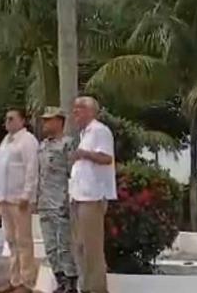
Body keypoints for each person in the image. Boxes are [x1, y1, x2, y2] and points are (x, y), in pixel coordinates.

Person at [69, 97, 116, 293]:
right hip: (79, 196)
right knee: (79, 246)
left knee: (92, 249)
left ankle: (97, 289)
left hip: (93, 197)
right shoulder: (85, 133)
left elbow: (106, 158)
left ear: (90, 111)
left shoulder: (99, 130)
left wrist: (83, 154)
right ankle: (85, 287)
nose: (74, 114)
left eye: (78, 110)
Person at [0, 109, 39, 293]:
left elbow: (31, 169)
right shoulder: (5, 141)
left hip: (19, 199)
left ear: (22, 121)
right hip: (5, 198)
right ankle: (15, 279)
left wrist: (27, 195)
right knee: (11, 240)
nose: (8, 121)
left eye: (12, 118)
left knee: (23, 241)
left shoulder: (28, 140)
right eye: (6, 118)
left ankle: (27, 281)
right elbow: (0, 171)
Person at [38, 107, 78, 293]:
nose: (45, 124)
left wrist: (69, 199)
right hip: (45, 203)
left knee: (64, 247)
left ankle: (71, 284)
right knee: (50, 247)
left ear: (59, 121)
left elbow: (74, 174)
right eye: (44, 120)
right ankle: (60, 282)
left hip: (61, 202)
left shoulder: (67, 144)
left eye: (49, 120)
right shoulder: (43, 145)